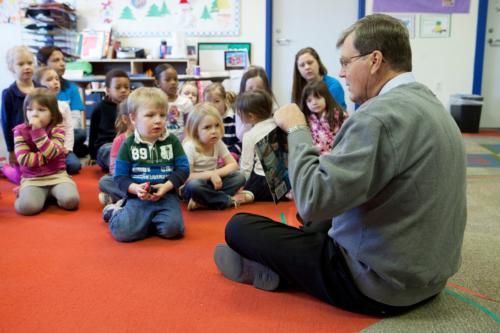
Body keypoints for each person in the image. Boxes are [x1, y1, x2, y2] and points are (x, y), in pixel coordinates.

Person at [213, 14, 467, 316]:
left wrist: (297, 129)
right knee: (317, 223)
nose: (342, 73)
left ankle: (273, 268)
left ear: (374, 60)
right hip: (430, 278)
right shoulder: (432, 104)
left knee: (240, 227)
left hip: (380, 287)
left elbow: (311, 202)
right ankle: (281, 265)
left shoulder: (376, 118)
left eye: (346, 63)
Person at [102, 87, 189, 242]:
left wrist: (167, 186)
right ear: (133, 118)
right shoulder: (128, 144)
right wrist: (136, 189)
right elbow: (120, 177)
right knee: (123, 233)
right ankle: (116, 211)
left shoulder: (172, 141)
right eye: (150, 115)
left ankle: (145, 222)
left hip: (166, 196)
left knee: (173, 230)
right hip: (138, 197)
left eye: (162, 115)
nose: (158, 120)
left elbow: (183, 169)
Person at [13, 88, 80, 215]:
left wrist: (37, 132)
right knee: (28, 208)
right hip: (32, 179)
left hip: (58, 176)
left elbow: (52, 153)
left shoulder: (58, 129)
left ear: (53, 114)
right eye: (30, 109)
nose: (34, 114)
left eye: (41, 110)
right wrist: (51, 156)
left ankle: (52, 195)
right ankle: (24, 193)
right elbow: (24, 159)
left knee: (71, 201)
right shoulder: (19, 131)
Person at [181, 103, 253, 211]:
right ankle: (229, 200)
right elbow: (186, 177)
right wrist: (211, 174)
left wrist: (216, 174)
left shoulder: (217, 143)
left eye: (217, 125)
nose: (214, 131)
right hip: (193, 185)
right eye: (207, 127)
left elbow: (233, 165)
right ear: (196, 131)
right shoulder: (189, 147)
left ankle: (204, 201)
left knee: (240, 177)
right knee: (195, 186)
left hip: (213, 183)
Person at [36, 46, 88, 158]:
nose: (62, 64)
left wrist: (59, 133)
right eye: (56, 60)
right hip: (41, 134)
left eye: (63, 60)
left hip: (64, 132)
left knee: (81, 133)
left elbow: (76, 119)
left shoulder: (71, 87)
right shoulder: (35, 90)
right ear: (42, 65)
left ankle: (68, 150)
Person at [34, 67, 81, 174]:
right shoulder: (36, 108)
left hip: (61, 147)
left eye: (57, 79)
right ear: (38, 85)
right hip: (42, 148)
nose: (55, 82)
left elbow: (69, 128)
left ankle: (54, 166)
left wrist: (67, 148)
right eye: (49, 80)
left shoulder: (63, 105)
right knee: (36, 163)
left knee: (74, 165)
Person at [1, 46, 36, 185]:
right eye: (21, 64)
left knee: (43, 172)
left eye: (29, 63)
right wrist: (11, 150)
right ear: (11, 67)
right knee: (22, 179)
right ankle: (5, 168)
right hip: (20, 143)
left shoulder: (42, 89)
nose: (26, 67)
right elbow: (6, 122)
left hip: (40, 139)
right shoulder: (8, 93)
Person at [236, 90, 277, 202]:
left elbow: (246, 167)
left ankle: (247, 195)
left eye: (240, 114)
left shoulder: (250, 135)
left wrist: (241, 185)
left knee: (235, 185)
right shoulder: (279, 125)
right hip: (282, 183)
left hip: (262, 182)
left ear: (251, 116)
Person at [89, 69, 131, 172]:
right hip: (106, 146)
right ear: (108, 90)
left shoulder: (132, 107)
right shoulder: (99, 108)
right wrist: (92, 156)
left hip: (127, 144)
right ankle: (120, 169)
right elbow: (92, 133)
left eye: (126, 87)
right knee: (109, 150)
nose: (123, 90)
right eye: (118, 87)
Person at [97, 101, 132, 205]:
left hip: (145, 178)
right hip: (127, 179)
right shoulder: (119, 140)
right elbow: (113, 168)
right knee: (105, 181)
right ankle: (133, 198)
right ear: (126, 119)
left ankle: (117, 198)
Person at [300, 80, 347, 155]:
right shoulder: (306, 119)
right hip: (316, 158)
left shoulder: (339, 115)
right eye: (309, 100)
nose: (314, 103)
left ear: (326, 97)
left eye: (318, 98)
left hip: (336, 156)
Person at [235, 66, 277, 141]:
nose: (254, 93)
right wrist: (248, 118)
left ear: (266, 90)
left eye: (259, 89)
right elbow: (241, 136)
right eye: (250, 89)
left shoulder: (273, 107)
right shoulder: (240, 109)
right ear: (244, 91)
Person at [154, 64, 194, 140]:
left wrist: (182, 143)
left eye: (175, 79)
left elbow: (189, 126)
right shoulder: (154, 103)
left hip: (181, 144)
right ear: (157, 83)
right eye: (168, 80)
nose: (173, 82)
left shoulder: (185, 102)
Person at [204, 83, 241, 161]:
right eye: (209, 102)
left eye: (217, 101)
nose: (212, 105)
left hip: (231, 160)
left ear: (224, 100)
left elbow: (241, 143)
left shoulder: (235, 119)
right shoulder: (203, 121)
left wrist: (229, 155)